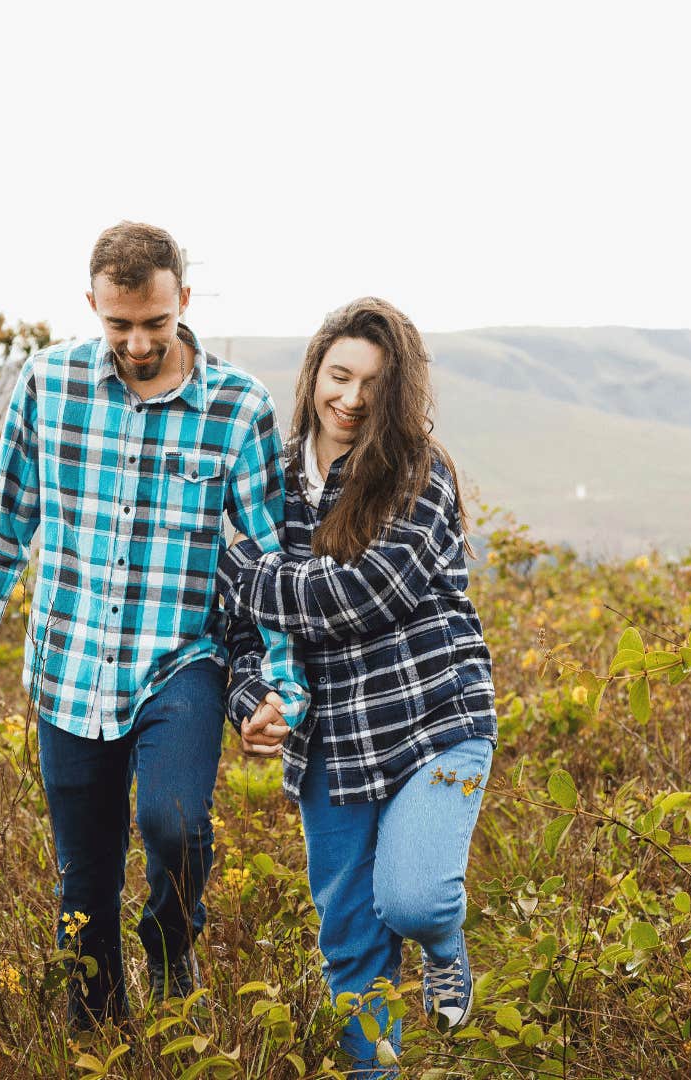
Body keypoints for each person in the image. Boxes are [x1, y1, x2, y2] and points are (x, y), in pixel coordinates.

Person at [0, 221, 306, 1027]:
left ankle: (172, 948)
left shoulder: (239, 409)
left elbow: (273, 563)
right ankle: (96, 1029)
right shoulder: (47, 384)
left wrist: (285, 686)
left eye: (156, 324)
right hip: (69, 664)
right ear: (92, 305)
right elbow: (6, 525)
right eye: (119, 324)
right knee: (83, 880)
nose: (138, 343)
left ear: (184, 302)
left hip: (182, 661)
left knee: (172, 822)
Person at [222, 296, 496, 1075]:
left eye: (374, 384)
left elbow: (358, 597)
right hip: (330, 747)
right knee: (349, 942)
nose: (352, 398)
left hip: (434, 720)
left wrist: (235, 565)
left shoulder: (419, 472)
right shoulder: (266, 477)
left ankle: (443, 943)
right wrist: (252, 702)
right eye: (339, 375)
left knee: (413, 901)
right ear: (314, 372)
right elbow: (243, 633)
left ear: (397, 392)